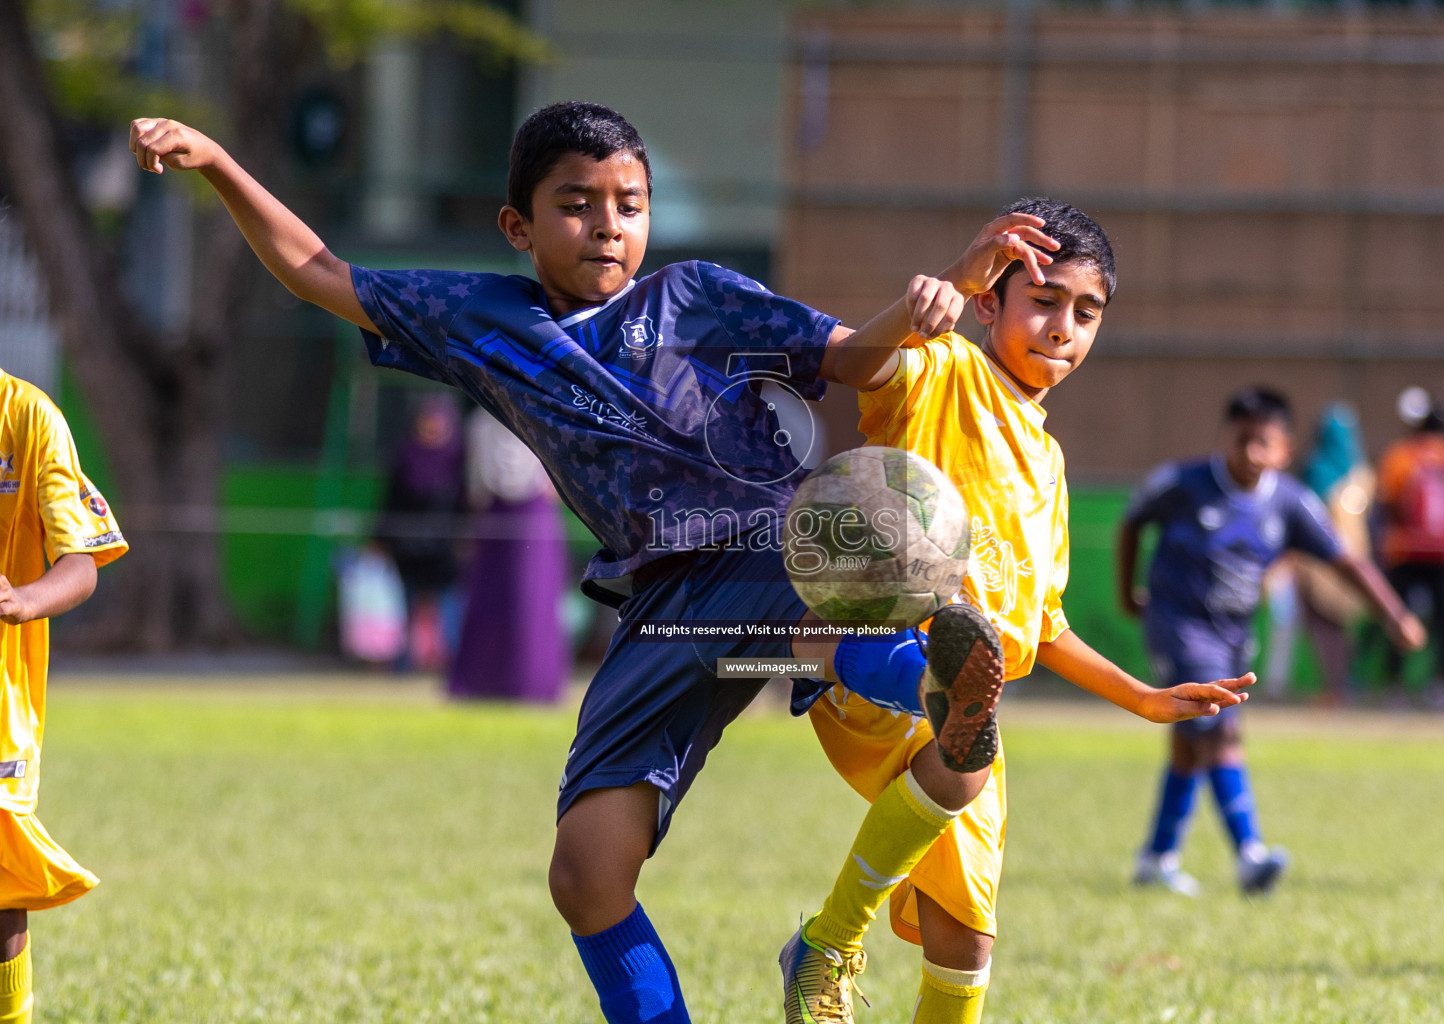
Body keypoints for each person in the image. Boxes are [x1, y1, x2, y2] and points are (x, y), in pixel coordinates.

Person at [127, 102, 1049, 1024]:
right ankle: (912, 677)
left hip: (772, 541)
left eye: (629, 203)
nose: (608, 223)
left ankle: (923, 676)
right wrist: (216, 162)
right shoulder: (484, 319)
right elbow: (316, 272)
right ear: (517, 227)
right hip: (663, 608)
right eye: (577, 203)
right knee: (587, 876)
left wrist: (941, 296)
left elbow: (847, 356)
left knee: (817, 569)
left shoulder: (699, 296)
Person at [782, 199, 1256, 1024]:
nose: (1063, 327)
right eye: (1045, 300)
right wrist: (934, 295)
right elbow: (854, 363)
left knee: (965, 944)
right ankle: (831, 941)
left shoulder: (1050, 462)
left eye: (1087, 311)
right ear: (990, 304)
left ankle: (826, 940)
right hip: (888, 652)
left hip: (977, 707)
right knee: (942, 720)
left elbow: (1045, 626)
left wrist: (1140, 697)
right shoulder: (945, 372)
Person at [1117, 388, 1426, 897]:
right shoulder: (1185, 484)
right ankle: (1250, 854)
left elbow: (1345, 560)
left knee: (1192, 745)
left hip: (1233, 634)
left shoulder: (1290, 502)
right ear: (1225, 439)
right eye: (1244, 441)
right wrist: (1129, 595)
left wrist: (1393, 614)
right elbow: (1133, 522)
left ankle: (1157, 856)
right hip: (1180, 625)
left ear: (1284, 449)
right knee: (1221, 732)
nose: (1253, 454)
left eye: (1266, 443)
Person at [0, 367, 129, 1022]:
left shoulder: (29, 418)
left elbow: (81, 564)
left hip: (0, 704)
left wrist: (23, 600)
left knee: (1, 889)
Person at [448, 406, 569, 702]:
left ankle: (531, 681)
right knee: (489, 596)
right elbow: (477, 477)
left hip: (533, 513)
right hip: (493, 513)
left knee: (531, 598)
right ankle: (484, 681)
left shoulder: (543, 410)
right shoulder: (480, 420)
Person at [1376, 388, 1444, 708]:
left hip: (1404, 548)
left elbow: (1387, 501)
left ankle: (1395, 684)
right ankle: (1443, 683)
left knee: (1397, 616)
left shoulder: (1402, 456)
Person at [1295, 402, 1376, 705]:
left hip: (1319, 562)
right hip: (1356, 559)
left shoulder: (1317, 470)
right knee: (1344, 628)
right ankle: (1343, 685)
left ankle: (1334, 687)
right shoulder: (1363, 475)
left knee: (1322, 626)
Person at [378, 394, 465, 671]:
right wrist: (380, 537)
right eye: (427, 424)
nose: (433, 430)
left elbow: (465, 502)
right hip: (408, 546)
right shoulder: (406, 456)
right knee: (406, 606)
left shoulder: (458, 459)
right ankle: (403, 662)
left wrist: (464, 537)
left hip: (445, 547)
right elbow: (390, 499)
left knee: (448, 606)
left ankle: (453, 663)